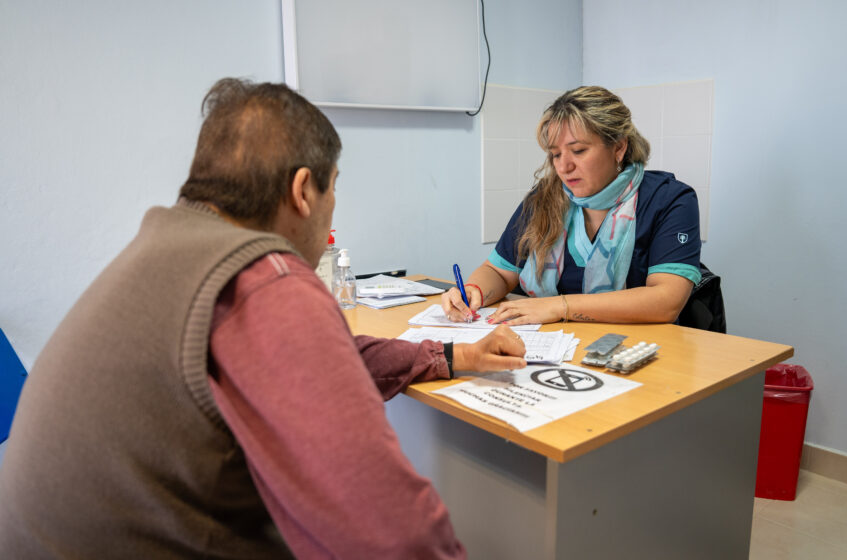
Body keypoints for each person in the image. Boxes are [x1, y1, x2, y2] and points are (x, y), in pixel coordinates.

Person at [0, 79, 527, 559]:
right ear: (303, 191)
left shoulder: (167, 249)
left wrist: (449, 354)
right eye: (334, 186)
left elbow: (322, 363)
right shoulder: (263, 279)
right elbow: (397, 535)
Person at [442, 86, 701, 326]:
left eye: (578, 151)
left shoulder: (669, 200)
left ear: (619, 147)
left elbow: (667, 301)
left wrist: (559, 307)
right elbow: (497, 272)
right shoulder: (544, 198)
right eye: (556, 154)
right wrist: (473, 292)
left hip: (639, 354)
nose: (564, 167)